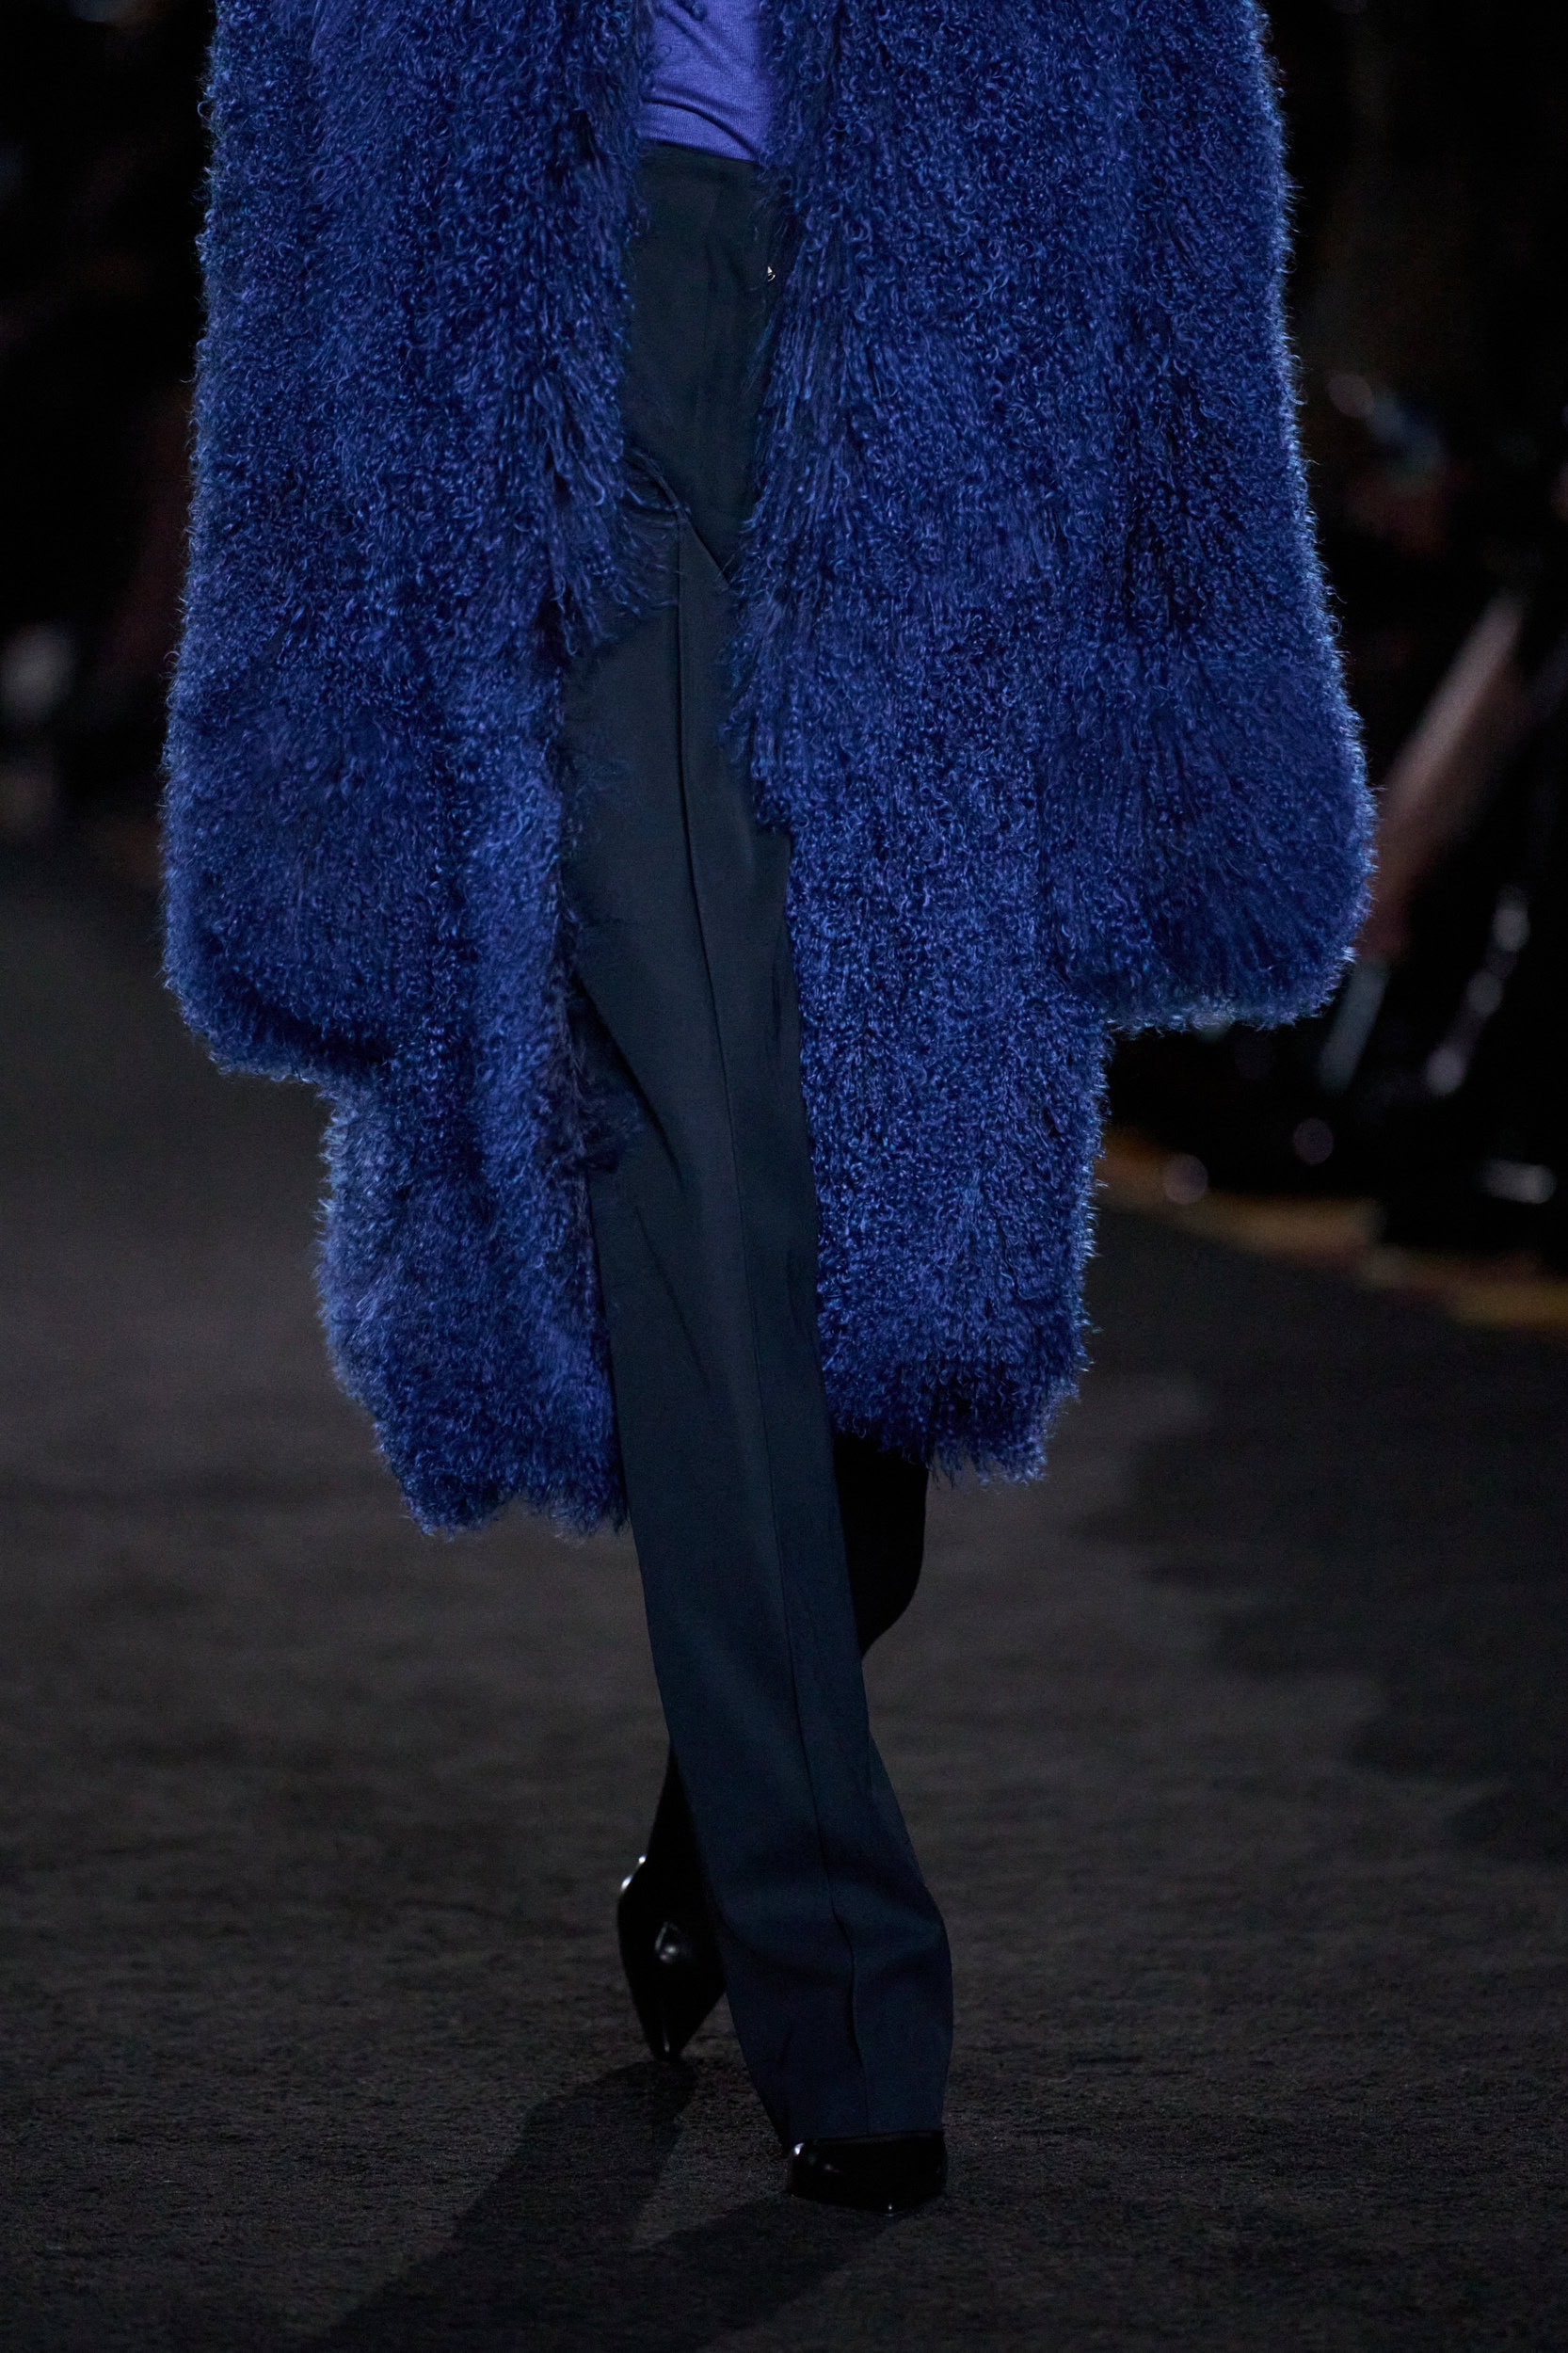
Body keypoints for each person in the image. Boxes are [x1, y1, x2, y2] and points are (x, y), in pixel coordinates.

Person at [163, 0, 1371, 2214]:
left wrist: (1190, 671)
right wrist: (295, 712)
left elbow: (1188, 188)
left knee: (873, 1334)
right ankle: (847, 1983)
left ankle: (723, 1796)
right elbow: (290, 221)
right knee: (702, 1160)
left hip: (947, 382)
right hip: (567, 359)